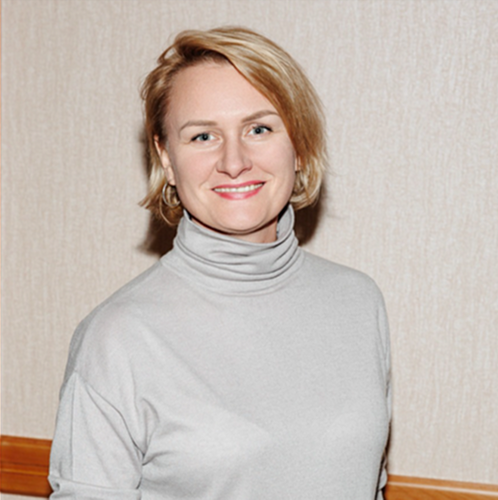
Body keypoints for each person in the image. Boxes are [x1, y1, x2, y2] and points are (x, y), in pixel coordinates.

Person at [49, 26, 391, 499]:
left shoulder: (358, 302)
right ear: (166, 158)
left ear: (298, 145)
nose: (234, 161)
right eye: (203, 135)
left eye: (259, 129)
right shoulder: (118, 337)